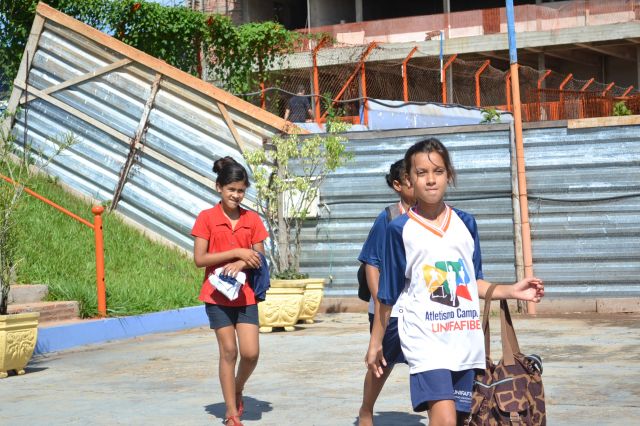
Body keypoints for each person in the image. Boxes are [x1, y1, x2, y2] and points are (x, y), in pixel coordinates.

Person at [366, 138, 544, 426]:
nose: (430, 179)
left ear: (448, 174)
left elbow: (473, 282)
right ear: (409, 179)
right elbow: (387, 295)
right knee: (445, 419)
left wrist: (512, 290)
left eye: (437, 171)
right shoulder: (399, 229)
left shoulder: (466, 223)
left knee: (460, 421)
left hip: (464, 341)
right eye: (421, 173)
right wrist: (376, 343)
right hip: (425, 341)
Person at [191, 156, 269, 426]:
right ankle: (231, 413)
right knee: (228, 351)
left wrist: (241, 262)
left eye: (241, 190)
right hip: (216, 297)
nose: (236, 195)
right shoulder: (206, 218)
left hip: (246, 295)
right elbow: (200, 259)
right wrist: (236, 252)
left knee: (250, 353)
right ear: (219, 188)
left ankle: (237, 387)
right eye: (231, 189)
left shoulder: (252, 220)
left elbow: (259, 257)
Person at [357, 159, 415, 426]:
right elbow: (372, 262)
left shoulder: (431, 216)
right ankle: (366, 410)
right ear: (397, 185)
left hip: (420, 305)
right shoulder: (388, 217)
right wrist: (381, 298)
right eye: (411, 179)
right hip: (390, 306)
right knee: (382, 362)